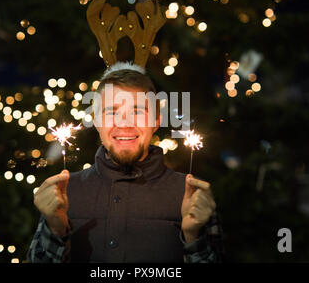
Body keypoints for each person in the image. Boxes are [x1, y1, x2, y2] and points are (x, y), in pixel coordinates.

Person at [27, 64, 224, 263]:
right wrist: (55, 229)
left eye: (137, 112)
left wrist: (193, 236)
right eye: (112, 112)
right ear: (96, 121)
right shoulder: (63, 192)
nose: (124, 123)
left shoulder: (193, 195)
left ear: (156, 121)